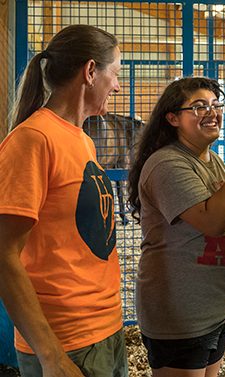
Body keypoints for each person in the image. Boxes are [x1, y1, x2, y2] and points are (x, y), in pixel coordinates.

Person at [0, 25, 128, 377]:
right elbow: (3, 254)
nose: (117, 86)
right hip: (67, 341)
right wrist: (51, 356)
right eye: (114, 73)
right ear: (90, 72)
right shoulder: (33, 140)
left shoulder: (83, 141)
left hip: (105, 330)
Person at [127, 77, 225, 377]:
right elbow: (213, 222)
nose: (212, 112)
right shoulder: (167, 165)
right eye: (198, 107)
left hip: (214, 306)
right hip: (180, 315)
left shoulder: (215, 162)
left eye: (216, 104)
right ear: (172, 118)